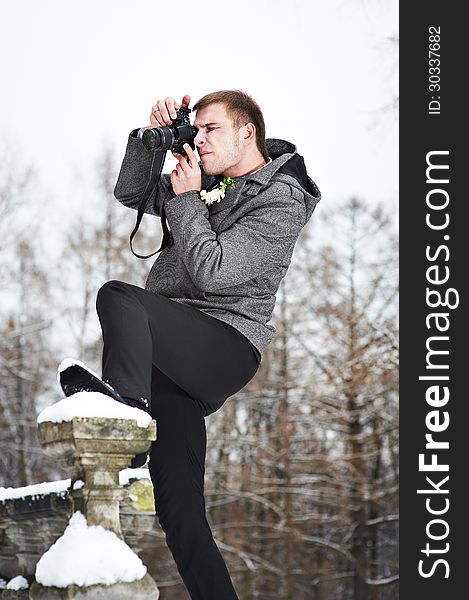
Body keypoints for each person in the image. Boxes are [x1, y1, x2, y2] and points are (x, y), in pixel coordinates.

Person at [93, 90, 320, 599]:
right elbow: (131, 193)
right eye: (195, 129)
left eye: (211, 128)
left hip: (225, 343)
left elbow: (215, 274)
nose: (200, 139)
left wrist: (189, 199)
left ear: (247, 132)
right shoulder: (203, 178)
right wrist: (152, 142)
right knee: (179, 514)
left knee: (119, 298)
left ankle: (125, 416)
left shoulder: (282, 199)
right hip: (172, 354)